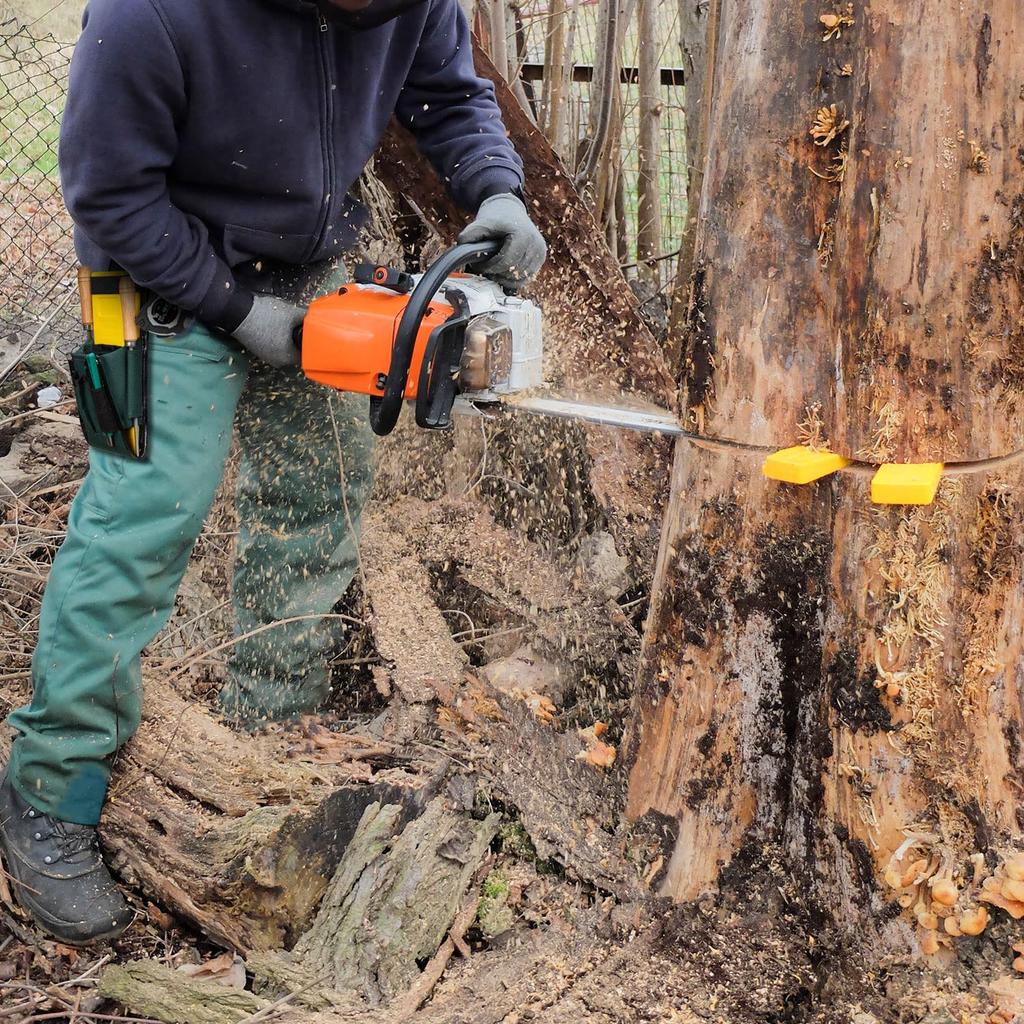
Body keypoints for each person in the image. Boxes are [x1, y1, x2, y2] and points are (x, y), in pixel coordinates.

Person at [0, 0, 546, 944]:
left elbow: (451, 96)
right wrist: (234, 308)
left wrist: (496, 189)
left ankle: (268, 737)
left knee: (318, 501)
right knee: (141, 516)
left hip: (310, 265)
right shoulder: (147, 16)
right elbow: (106, 197)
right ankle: (50, 789)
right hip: (137, 282)